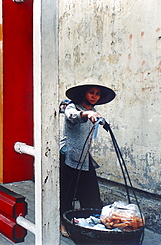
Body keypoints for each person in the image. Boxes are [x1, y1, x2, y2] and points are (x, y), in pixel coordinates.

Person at [59, 78, 116, 236]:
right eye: (91, 92)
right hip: (68, 155)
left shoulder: (94, 111)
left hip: (84, 158)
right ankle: (63, 223)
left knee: (91, 193)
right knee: (67, 193)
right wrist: (86, 113)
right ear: (83, 93)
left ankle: (89, 221)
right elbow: (72, 116)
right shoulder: (72, 107)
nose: (94, 96)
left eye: (97, 94)